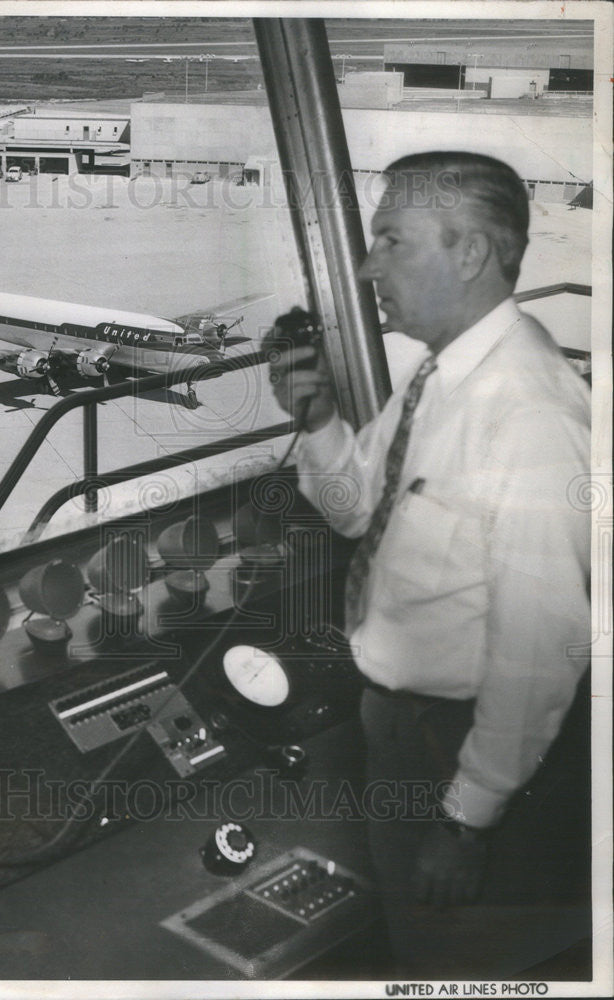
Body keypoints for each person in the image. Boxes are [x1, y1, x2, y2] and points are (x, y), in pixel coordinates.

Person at [269, 151, 591, 977]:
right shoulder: (439, 378)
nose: (371, 266)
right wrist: (315, 420)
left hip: (461, 755)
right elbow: (355, 513)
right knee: (415, 948)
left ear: (472, 253)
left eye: (393, 242)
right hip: (400, 732)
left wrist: (466, 822)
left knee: (460, 963)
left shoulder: (527, 413)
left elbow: (541, 645)